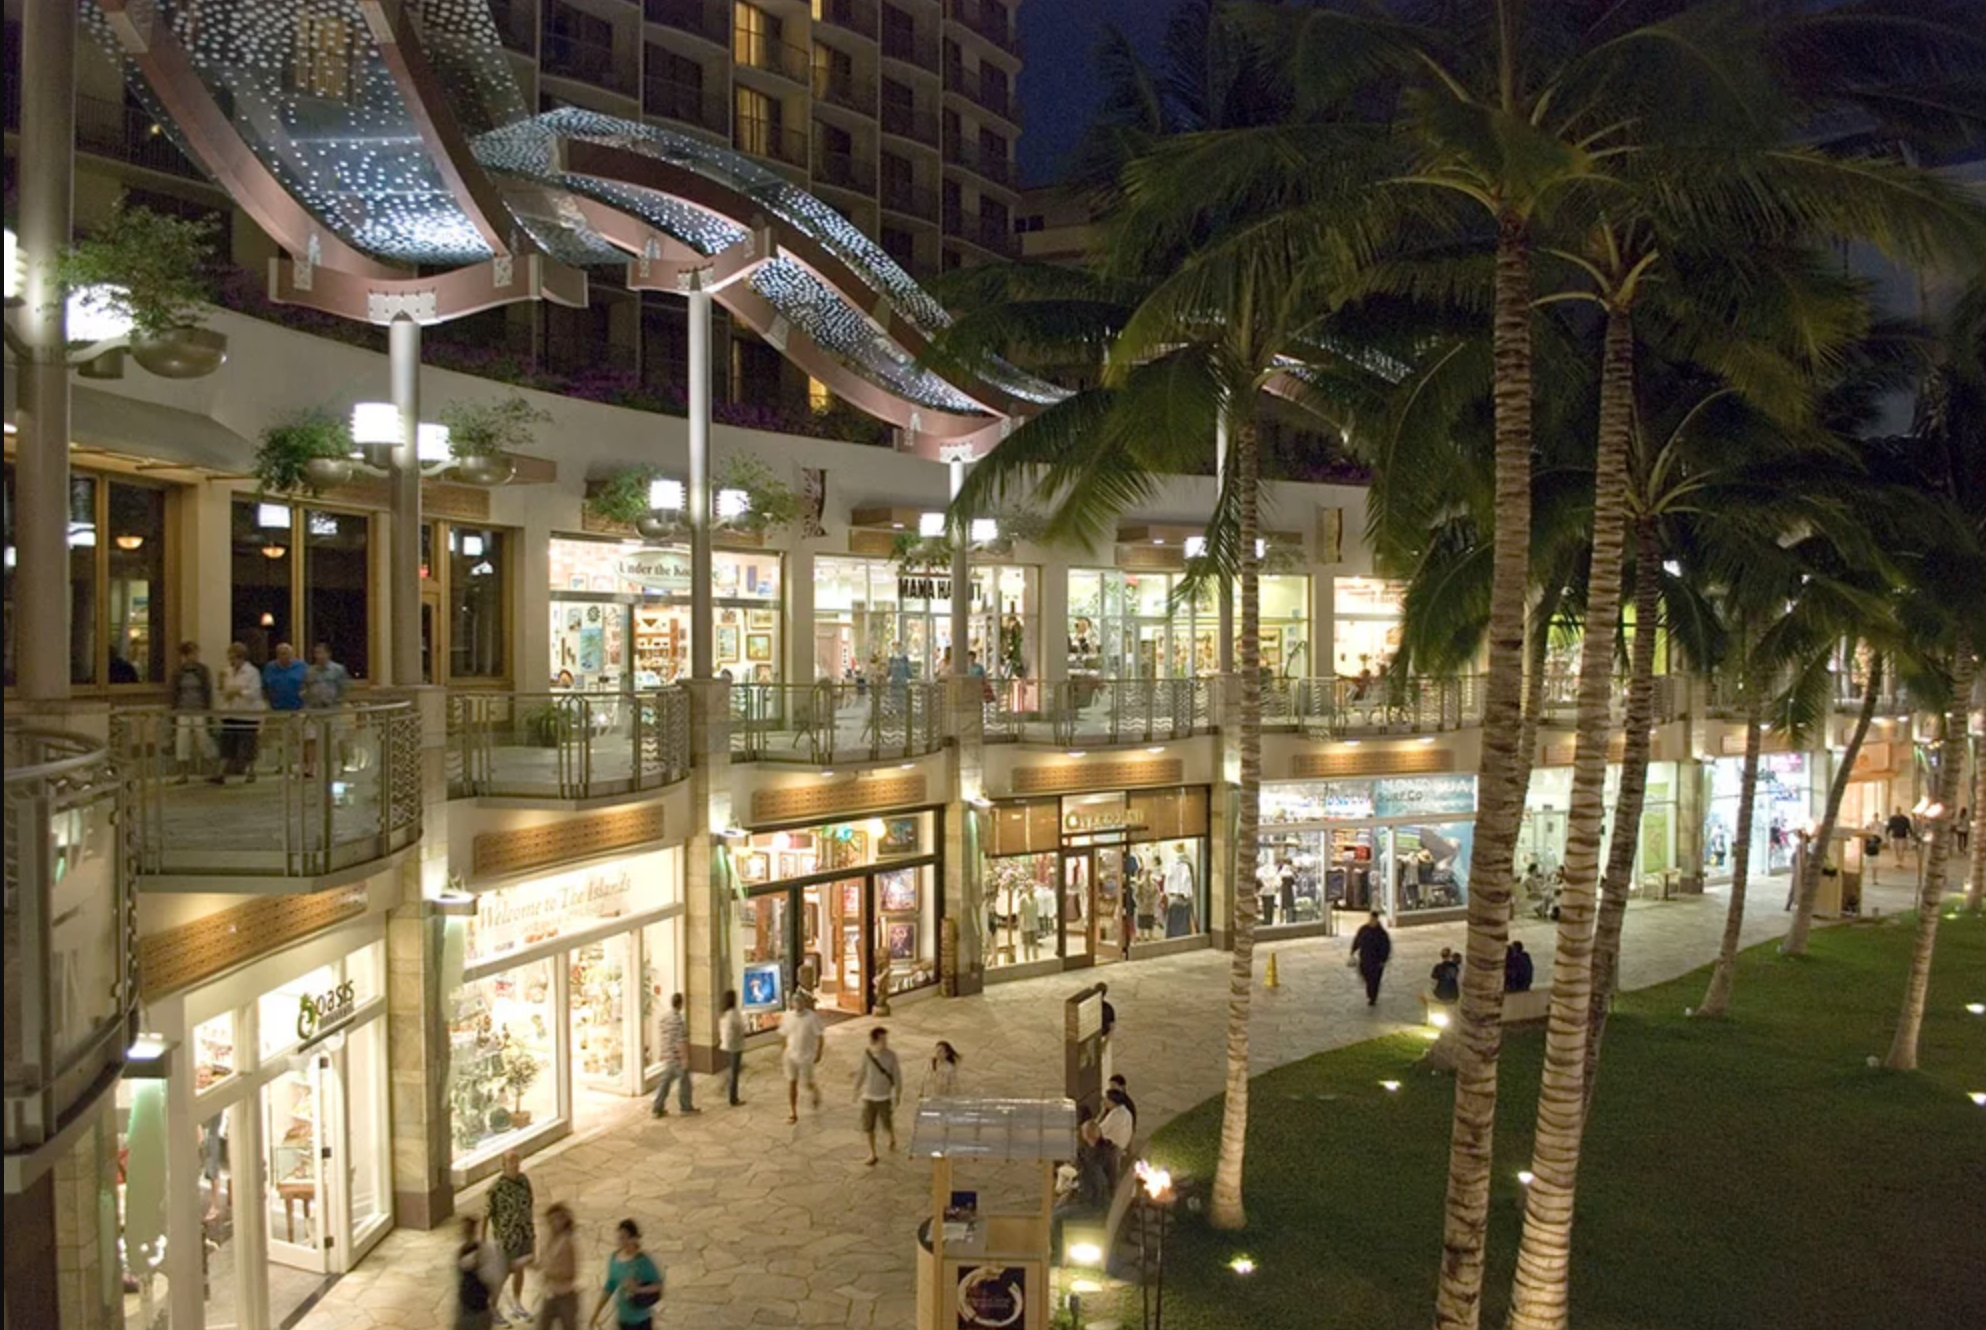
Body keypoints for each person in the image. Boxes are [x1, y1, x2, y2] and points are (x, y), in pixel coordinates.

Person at [485, 1152, 535, 1323]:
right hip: (506, 1239)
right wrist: (482, 1242)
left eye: (517, 1160)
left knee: (520, 1269)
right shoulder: (496, 1188)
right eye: (511, 1161)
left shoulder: (524, 1180)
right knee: (502, 1274)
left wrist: (531, 1233)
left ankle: (517, 1302)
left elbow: (529, 1204)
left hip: (524, 1234)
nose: (515, 1164)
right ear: (503, 1165)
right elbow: (486, 1214)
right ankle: (492, 1307)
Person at [589, 1219, 662, 1330]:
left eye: (624, 1237)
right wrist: (596, 1313)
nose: (621, 1241)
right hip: (623, 1320)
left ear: (634, 1238)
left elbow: (658, 1286)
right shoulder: (614, 1259)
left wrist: (638, 1289)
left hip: (642, 1321)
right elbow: (609, 1286)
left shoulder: (643, 1261)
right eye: (620, 1237)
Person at [213, 641, 265, 783]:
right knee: (227, 743)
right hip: (230, 712)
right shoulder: (227, 672)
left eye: (233, 658)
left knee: (248, 743)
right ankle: (221, 773)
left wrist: (238, 692)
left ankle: (251, 771)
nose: (231, 661)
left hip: (247, 714)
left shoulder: (252, 672)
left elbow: (254, 692)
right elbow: (221, 690)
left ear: (241, 657)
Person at [852, 1026, 902, 1165]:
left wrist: (898, 1092)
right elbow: (862, 1072)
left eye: (886, 1040)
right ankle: (872, 1153)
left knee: (886, 1122)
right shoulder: (867, 1054)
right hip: (868, 1097)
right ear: (874, 1041)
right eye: (882, 1040)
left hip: (884, 1097)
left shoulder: (891, 1055)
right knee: (869, 1126)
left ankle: (891, 1136)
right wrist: (856, 1089)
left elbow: (897, 1075)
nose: (885, 1043)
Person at [170, 641, 215, 782]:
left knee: (203, 739)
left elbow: (207, 691)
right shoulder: (179, 672)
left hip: (199, 708)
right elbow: (174, 692)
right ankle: (184, 773)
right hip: (183, 709)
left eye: (195, 653)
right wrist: (174, 710)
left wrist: (209, 710)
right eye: (191, 654)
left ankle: (212, 770)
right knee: (182, 741)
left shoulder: (202, 670)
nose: (194, 656)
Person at [649, 993, 697, 1117]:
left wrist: (663, 1052)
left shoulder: (664, 1018)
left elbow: (663, 1036)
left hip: (668, 1056)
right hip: (677, 1058)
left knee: (664, 1083)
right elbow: (681, 1041)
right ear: (681, 1004)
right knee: (685, 1083)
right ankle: (686, 1108)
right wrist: (685, 1058)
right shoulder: (679, 1020)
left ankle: (657, 1108)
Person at [779, 993, 825, 1124]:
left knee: (807, 1083)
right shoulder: (787, 1016)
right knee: (792, 1082)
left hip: (806, 1056)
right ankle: (793, 1112)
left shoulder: (812, 1017)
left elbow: (820, 1036)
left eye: (800, 1001)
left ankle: (815, 1092)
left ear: (804, 1003)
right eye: (795, 1001)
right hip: (790, 1055)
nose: (797, 1004)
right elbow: (783, 1034)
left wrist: (819, 1052)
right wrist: (784, 1050)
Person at [536, 1202, 580, 1330]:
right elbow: (542, 1263)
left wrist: (549, 1273)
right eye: (550, 1220)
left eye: (556, 1219)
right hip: (550, 1293)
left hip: (565, 1296)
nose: (552, 1223)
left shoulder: (567, 1243)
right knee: (543, 1324)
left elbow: (571, 1273)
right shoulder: (547, 1240)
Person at [456, 1215, 505, 1330]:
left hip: (479, 1309)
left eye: (466, 1229)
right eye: (463, 1230)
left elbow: (493, 1278)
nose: (464, 1232)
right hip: (465, 1306)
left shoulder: (483, 1252)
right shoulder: (462, 1250)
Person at [1350, 910, 1392, 1006]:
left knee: (1375, 980)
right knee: (1366, 976)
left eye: (1374, 920)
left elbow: (1386, 947)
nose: (1372, 921)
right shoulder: (1364, 929)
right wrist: (1353, 950)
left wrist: (1383, 960)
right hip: (1365, 959)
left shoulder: (1381, 934)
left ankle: (1372, 997)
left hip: (1376, 962)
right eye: (1371, 919)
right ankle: (1370, 992)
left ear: (1377, 920)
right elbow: (1357, 940)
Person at [719, 989, 747, 1107]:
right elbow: (740, 1027)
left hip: (727, 1045)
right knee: (735, 1071)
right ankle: (733, 1098)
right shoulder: (733, 1013)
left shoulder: (724, 1013)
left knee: (733, 1069)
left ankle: (727, 1083)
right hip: (735, 1045)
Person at [303, 642, 350, 709]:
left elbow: (344, 688)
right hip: (313, 708)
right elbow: (306, 688)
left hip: (333, 707)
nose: (319, 656)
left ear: (328, 654)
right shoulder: (309, 671)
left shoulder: (338, 669)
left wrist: (339, 701)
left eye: (321, 653)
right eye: (316, 653)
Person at [262, 642, 307, 713]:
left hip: (297, 708)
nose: (286, 657)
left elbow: (307, 685)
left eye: (288, 654)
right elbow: (264, 687)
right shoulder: (269, 667)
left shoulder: (301, 666)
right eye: (282, 654)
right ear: (277, 655)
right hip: (275, 709)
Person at [1098, 1086, 1135, 1166]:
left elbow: (1098, 1130)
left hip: (1113, 1147)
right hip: (1122, 1144)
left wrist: (1101, 1113)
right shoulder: (1125, 1112)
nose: (1104, 1101)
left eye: (1106, 1099)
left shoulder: (1115, 1115)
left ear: (1112, 1102)